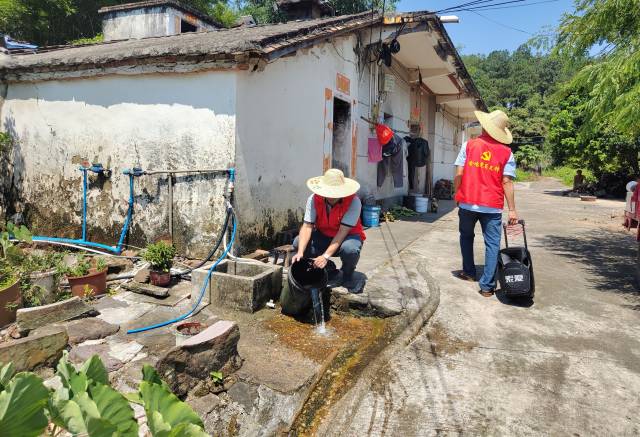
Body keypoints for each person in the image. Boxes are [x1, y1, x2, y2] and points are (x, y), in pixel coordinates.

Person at [453, 110, 518, 297]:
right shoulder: (507, 153)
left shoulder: (468, 145)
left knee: (466, 237)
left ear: (484, 126)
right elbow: (507, 182)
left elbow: (459, 174)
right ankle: (487, 287)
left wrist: (457, 194)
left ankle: (469, 272)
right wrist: (512, 210)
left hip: (467, 202)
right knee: (492, 244)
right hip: (492, 206)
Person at [292, 168, 366, 293]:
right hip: (323, 236)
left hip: (347, 237)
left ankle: (347, 273)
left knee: (350, 250)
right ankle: (327, 268)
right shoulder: (314, 199)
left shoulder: (354, 202)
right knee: (298, 242)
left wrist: (325, 256)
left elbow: (342, 232)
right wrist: (300, 252)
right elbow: (307, 226)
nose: (331, 196)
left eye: (335, 192)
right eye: (329, 192)